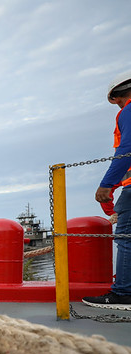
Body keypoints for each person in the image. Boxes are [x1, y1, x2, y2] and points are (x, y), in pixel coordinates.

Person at [83, 70, 131, 309]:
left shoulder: (129, 110)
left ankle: (123, 293)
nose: (119, 106)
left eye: (118, 101)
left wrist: (106, 185)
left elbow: (127, 148)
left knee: (125, 237)